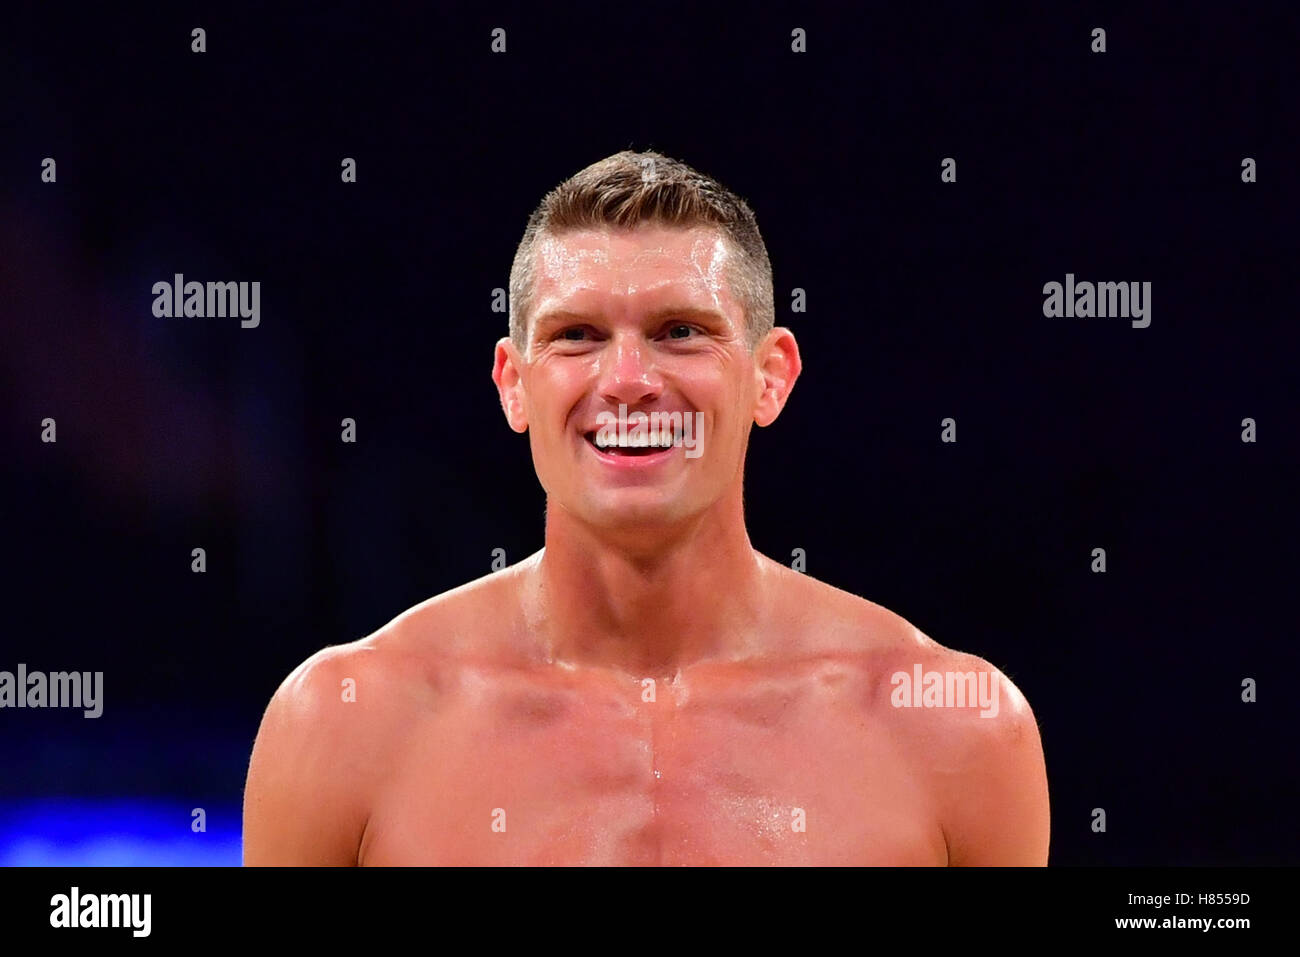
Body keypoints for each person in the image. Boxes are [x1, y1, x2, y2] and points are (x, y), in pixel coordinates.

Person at [243, 150, 1050, 865]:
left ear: (771, 376)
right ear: (513, 384)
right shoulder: (344, 725)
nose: (628, 378)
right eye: (578, 335)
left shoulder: (953, 730)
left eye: (679, 330)